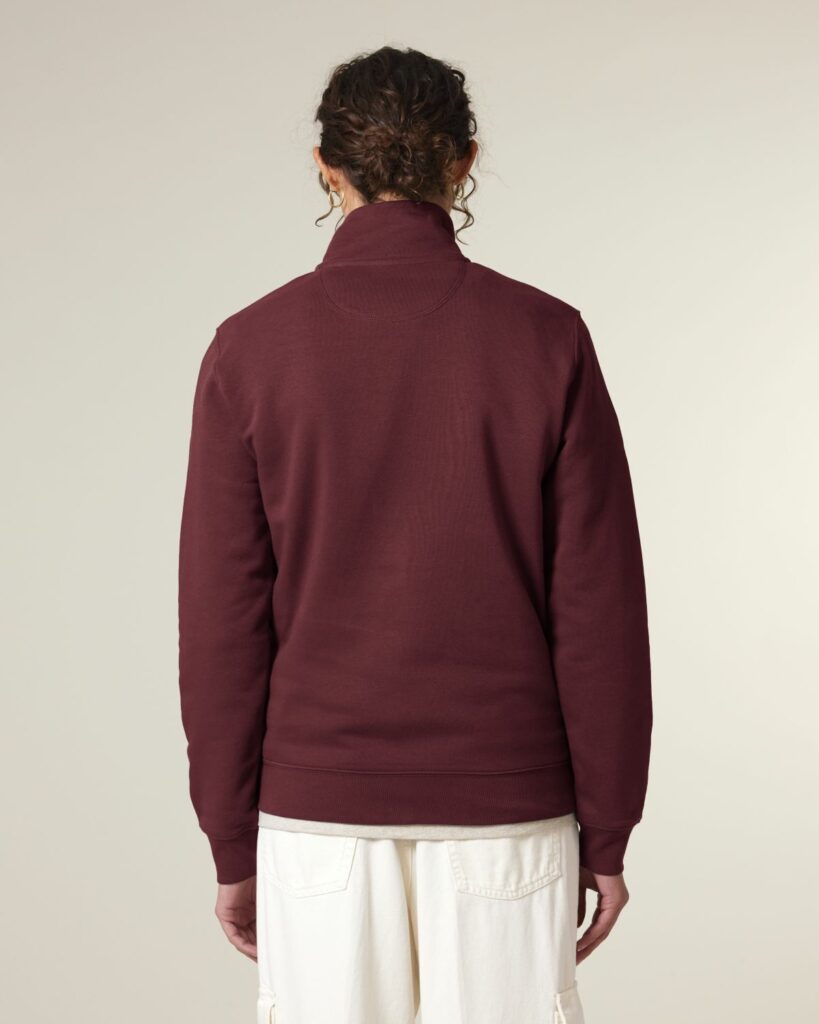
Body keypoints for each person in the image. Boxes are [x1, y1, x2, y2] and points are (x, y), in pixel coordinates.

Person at [178, 44, 652, 1024]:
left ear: (326, 166)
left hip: (317, 823)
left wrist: (231, 840)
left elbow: (221, 624)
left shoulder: (249, 349)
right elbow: (599, 611)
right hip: (506, 815)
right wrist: (606, 830)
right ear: (463, 161)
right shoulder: (545, 337)